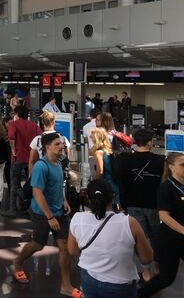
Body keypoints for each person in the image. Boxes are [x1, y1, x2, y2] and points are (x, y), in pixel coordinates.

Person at [12, 132, 81, 297]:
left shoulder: (58, 163)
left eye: (61, 143)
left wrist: (64, 200)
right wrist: (49, 216)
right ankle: (18, 262)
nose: (62, 146)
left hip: (59, 211)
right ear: (47, 147)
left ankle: (66, 285)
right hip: (42, 213)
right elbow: (37, 193)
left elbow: (59, 185)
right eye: (57, 144)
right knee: (38, 244)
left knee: (64, 246)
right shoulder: (40, 166)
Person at [68, 179, 153, 298]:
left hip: (89, 279)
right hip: (121, 285)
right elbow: (147, 258)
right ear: (113, 198)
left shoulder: (77, 218)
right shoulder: (129, 223)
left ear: (88, 199)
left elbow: (73, 251)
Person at [118, 128, 163, 282]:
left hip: (133, 204)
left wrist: (123, 204)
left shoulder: (126, 160)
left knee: (139, 239)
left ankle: (146, 271)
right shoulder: (160, 161)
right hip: (154, 205)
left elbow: (122, 185)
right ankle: (158, 267)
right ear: (150, 142)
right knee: (156, 237)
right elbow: (162, 185)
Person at [138, 152, 184, 297]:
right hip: (170, 239)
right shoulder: (166, 187)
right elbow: (164, 216)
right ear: (171, 167)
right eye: (182, 165)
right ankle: (140, 294)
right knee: (166, 278)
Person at [4, 105, 42, 218]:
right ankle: (30, 207)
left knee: (14, 183)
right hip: (31, 158)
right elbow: (41, 136)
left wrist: (13, 150)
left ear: (17, 114)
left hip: (18, 158)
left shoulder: (13, 124)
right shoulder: (33, 125)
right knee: (32, 182)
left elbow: (11, 136)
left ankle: (12, 210)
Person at [28, 110, 71, 177]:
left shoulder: (37, 139)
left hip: (44, 172)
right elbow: (67, 157)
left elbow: (32, 161)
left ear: (42, 122)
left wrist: (31, 177)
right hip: (59, 172)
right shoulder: (62, 138)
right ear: (54, 122)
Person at [91, 127, 120, 208]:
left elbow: (100, 171)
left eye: (92, 136)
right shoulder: (108, 150)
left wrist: (95, 184)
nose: (90, 137)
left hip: (107, 185)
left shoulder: (99, 152)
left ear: (97, 137)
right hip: (115, 185)